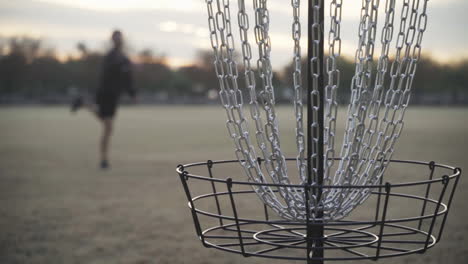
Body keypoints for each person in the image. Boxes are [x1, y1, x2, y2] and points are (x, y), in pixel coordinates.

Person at [71, 30, 136, 169]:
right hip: (105, 95)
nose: (119, 41)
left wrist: (132, 93)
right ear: (114, 40)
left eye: (120, 39)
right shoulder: (111, 58)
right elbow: (107, 78)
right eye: (117, 39)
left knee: (108, 128)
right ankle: (103, 160)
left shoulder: (123, 58)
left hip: (113, 96)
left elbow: (127, 79)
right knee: (108, 127)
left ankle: (83, 103)